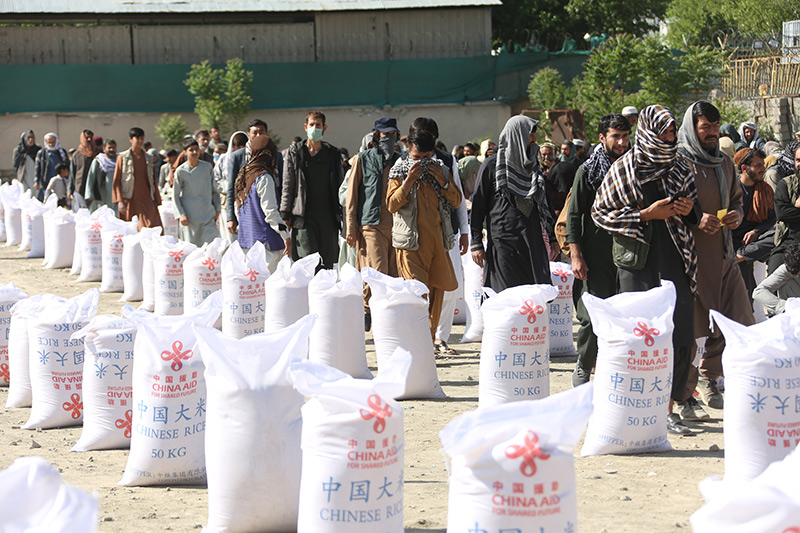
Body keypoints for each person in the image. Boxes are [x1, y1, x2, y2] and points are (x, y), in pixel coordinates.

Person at [592, 105, 699, 435]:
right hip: (638, 263)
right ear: (651, 132)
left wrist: (687, 209)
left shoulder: (679, 166)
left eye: (672, 131)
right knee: (643, 338)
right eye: (664, 131)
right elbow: (601, 213)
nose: (670, 137)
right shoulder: (626, 168)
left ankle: (667, 408)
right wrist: (644, 215)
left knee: (679, 336)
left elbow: (694, 213)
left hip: (676, 260)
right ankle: (638, 408)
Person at [677, 101, 754, 418]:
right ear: (692, 128)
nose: (711, 132)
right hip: (693, 258)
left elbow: (736, 197)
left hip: (723, 252)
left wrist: (736, 213)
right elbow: (673, 203)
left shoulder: (723, 162)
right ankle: (684, 395)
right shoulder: (679, 161)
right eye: (704, 127)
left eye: (714, 126)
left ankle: (712, 379)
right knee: (696, 330)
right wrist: (696, 220)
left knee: (738, 320)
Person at [565, 113, 631, 386]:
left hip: (629, 256)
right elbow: (575, 214)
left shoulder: (635, 168)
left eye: (626, 136)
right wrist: (576, 255)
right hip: (595, 256)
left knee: (624, 316)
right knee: (592, 316)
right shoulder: (588, 171)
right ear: (602, 138)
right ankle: (584, 364)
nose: (622, 142)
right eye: (616, 136)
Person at [387, 130, 462, 338]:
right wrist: (409, 180)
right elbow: (391, 205)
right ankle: (415, 341)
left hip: (438, 245)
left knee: (436, 295)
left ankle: (427, 344)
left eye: (427, 158)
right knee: (417, 295)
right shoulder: (399, 171)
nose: (422, 163)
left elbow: (457, 201)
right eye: (417, 158)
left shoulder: (442, 171)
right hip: (410, 246)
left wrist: (444, 183)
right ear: (408, 152)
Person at [470, 115, 554, 291]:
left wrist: (552, 236)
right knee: (506, 295)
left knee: (532, 295)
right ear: (518, 135)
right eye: (530, 134)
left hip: (530, 239)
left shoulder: (532, 165)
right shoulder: (492, 165)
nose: (534, 139)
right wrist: (476, 243)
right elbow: (478, 206)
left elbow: (544, 203)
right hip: (503, 240)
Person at [345, 117, 401, 329]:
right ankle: (369, 310)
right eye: (385, 134)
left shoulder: (400, 160)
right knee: (377, 271)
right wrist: (351, 227)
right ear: (377, 135)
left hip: (396, 224)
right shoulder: (363, 159)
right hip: (370, 223)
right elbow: (352, 196)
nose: (388, 138)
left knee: (394, 274)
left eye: (392, 134)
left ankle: (385, 315)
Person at [280, 110, 344, 270]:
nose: (315, 128)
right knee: (307, 261)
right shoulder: (296, 153)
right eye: (312, 125)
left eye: (318, 125)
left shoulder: (332, 153)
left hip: (328, 217)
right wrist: (285, 214)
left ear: (325, 128)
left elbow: (340, 185)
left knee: (328, 263)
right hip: (303, 216)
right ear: (305, 127)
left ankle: (323, 294)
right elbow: (288, 185)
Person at [233, 120, 288, 271]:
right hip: (266, 244)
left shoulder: (243, 174)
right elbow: (270, 213)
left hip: (247, 240)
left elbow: (237, 209)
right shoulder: (264, 177)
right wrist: (286, 236)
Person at [226, 119, 284, 240]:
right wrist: (230, 217)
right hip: (249, 210)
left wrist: (284, 214)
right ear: (248, 135)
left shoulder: (276, 155)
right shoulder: (238, 156)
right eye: (255, 132)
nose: (258, 136)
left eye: (261, 132)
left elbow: (283, 186)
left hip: (272, 208)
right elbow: (232, 188)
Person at [731, 148, 774, 301]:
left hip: (758, 242)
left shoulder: (765, 189)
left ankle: (744, 255)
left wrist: (756, 231)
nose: (763, 169)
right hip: (734, 241)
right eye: (758, 165)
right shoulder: (731, 189)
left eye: (763, 164)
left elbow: (772, 219)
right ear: (744, 168)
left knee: (778, 234)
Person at [112, 127, 162, 230]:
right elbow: (117, 180)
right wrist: (120, 201)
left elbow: (153, 180)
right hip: (129, 198)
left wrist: (157, 199)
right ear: (131, 139)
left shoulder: (149, 158)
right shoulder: (123, 157)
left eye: (142, 138)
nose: (140, 141)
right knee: (130, 229)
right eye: (137, 138)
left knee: (152, 227)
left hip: (146, 199)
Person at [173, 138, 221, 246]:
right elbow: (175, 196)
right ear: (185, 152)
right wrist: (181, 214)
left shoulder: (207, 167)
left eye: (196, 149)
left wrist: (218, 208)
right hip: (189, 218)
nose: (195, 152)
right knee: (191, 249)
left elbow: (214, 190)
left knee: (212, 247)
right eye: (191, 150)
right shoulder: (181, 171)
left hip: (207, 215)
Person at [771, 143, 800, 274]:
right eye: (798, 160)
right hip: (789, 242)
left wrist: (793, 209)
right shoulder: (786, 184)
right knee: (773, 273)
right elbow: (782, 213)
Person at [215, 131, 246, 243]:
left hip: (244, 202)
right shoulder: (223, 160)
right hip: (227, 203)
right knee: (229, 237)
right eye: (237, 147)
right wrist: (229, 186)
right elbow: (216, 179)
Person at [753, 242, 800, 316]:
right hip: (795, 312)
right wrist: (785, 307)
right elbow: (759, 292)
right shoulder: (788, 268)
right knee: (786, 284)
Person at [85, 139, 118, 213]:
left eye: (113, 147)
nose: (112, 150)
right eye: (109, 148)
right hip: (101, 194)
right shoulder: (98, 161)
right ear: (104, 149)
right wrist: (89, 194)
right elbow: (91, 177)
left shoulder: (119, 160)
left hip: (116, 194)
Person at [34, 132, 69, 202]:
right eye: (49, 142)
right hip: (46, 180)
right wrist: (36, 181)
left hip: (59, 181)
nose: (51, 144)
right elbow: (37, 168)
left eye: (53, 142)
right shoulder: (42, 153)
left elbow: (67, 166)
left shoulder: (62, 152)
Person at [69, 129, 98, 203]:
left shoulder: (98, 153)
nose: (89, 140)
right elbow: (72, 173)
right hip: (81, 187)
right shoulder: (77, 154)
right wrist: (70, 190)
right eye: (87, 138)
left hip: (96, 188)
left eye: (91, 138)